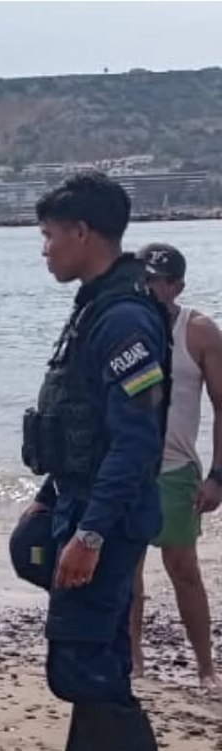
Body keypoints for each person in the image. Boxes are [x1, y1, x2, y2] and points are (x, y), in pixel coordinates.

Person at [0, 172, 193, 751]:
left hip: (105, 516)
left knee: (81, 664)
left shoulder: (123, 319)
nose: (44, 250)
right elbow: (81, 423)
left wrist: (91, 534)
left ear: (83, 233)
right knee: (97, 657)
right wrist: (53, 497)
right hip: (81, 500)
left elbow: (135, 442)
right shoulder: (98, 305)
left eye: (50, 236)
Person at [130, 244, 222, 687]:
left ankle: (206, 667)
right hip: (129, 467)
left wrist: (218, 476)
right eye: (143, 279)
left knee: (183, 568)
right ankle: (134, 662)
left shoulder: (199, 331)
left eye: (158, 281)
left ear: (176, 286)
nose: (149, 289)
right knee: (126, 571)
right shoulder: (125, 328)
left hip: (176, 467)